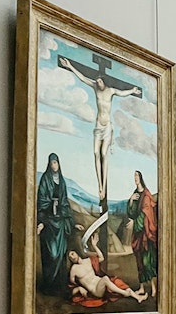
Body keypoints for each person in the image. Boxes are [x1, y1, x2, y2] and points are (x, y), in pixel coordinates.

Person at [59, 56, 142, 203]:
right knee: (96, 153)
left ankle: (103, 185)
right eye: (97, 81)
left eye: (100, 81)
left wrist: (132, 90)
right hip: (98, 126)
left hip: (107, 126)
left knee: (104, 153)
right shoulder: (94, 87)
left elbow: (122, 93)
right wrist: (70, 65)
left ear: (104, 81)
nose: (98, 83)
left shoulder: (110, 91)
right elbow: (82, 78)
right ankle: (100, 186)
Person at [36, 152, 83, 296]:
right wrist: (42, 221)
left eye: (55, 163)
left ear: (58, 164)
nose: (53, 166)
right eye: (51, 163)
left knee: (61, 254)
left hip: (60, 222)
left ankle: (60, 285)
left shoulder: (61, 181)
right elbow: (41, 201)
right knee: (52, 254)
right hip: (49, 221)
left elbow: (64, 202)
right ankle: (49, 286)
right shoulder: (45, 179)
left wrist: (72, 222)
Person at [67, 234, 146, 303]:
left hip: (101, 284)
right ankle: (124, 293)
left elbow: (101, 258)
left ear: (76, 253)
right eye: (70, 257)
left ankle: (138, 297)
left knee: (118, 282)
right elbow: (71, 285)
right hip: (95, 290)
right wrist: (79, 288)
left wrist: (94, 246)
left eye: (73, 254)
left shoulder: (88, 260)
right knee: (105, 279)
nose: (72, 257)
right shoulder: (74, 269)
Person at [126, 170, 158, 298]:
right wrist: (130, 201)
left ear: (141, 177)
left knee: (147, 261)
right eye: (134, 176)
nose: (135, 178)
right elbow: (131, 213)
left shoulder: (146, 194)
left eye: (137, 175)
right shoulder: (135, 194)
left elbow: (147, 213)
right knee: (139, 260)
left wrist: (135, 223)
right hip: (138, 234)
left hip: (145, 233)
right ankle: (141, 287)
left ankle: (154, 288)